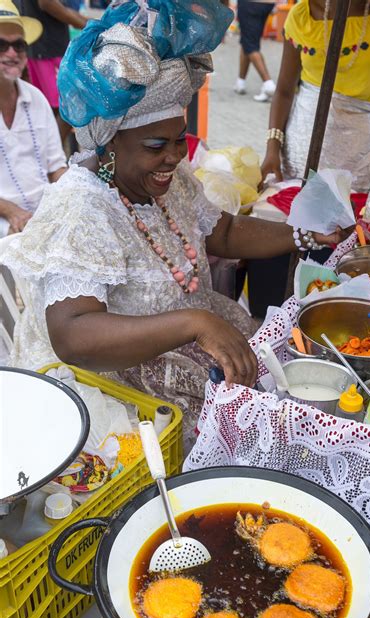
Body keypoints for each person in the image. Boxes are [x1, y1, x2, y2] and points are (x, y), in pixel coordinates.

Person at [0, 5, 346, 443]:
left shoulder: (165, 180)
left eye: (179, 137)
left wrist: (299, 235)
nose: (175, 156)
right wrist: (193, 323)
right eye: (155, 145)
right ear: (109, 143)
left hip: (183, 348)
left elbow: (220, 231)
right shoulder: (81, 207)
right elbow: (72, 335)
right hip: (114, 390)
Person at [260, 0, 370, 192]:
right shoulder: (300, 15)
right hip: (299, 159)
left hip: (362, 165)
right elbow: (283, 92)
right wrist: (273, 148)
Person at [0, 0, 66, 237]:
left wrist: (75, 192)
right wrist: (10, 211)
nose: (12, 53)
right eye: (2, 45)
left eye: (19, 45)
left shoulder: (36, 98)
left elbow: (56, 166)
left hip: (43, 214)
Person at [14, 0, 87, 141]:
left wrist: (90, 23)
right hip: (47, 49)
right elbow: (47, 3)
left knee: (51, 109)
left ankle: (47, 155)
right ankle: (50, 157)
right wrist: (88, 25)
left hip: (42, 48)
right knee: (66, 107)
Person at [234, 0, 276, 102]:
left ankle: (268, 84)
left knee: (251, 45)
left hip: (250, 3)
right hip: (268, 4)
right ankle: (240, 82)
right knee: (247, 40)